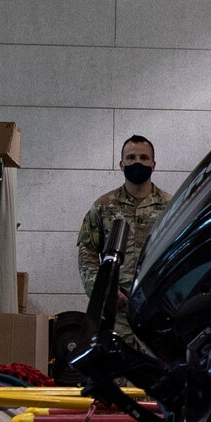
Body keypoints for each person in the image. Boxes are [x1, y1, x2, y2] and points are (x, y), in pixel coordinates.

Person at [76, 135, 172, 342]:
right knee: (115, 372)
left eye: (144, 158)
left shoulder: (171, 207)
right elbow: (87, 253)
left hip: (158, 314)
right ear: (121, 164)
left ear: (153, 164)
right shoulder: (104, 206)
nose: (137, 162)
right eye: (131, 157)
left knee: (155, 373)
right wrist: (104, 291)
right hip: (115, 315)